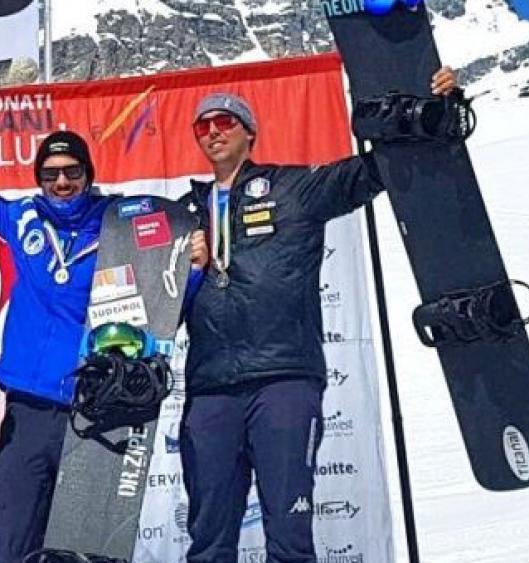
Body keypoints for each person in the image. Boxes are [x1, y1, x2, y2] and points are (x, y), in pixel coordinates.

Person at [178, 66, 460, 562]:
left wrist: (436, 106)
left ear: (249, 132)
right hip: (210, 388)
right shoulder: (181, 213)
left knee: (289, 537)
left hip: (283, 379)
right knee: (207, 542)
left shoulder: (292, 189)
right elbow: (147, 288)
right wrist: (185, 266)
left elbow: (375, 171)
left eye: (224, 122)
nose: (214, 132)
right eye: (203, 126)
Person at [0, 91, 208, 562]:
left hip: (95, 412)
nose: (61, 182)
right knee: (11, 546)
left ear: (88, 175)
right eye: (50, 174)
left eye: (71, 172)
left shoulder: (119, 225)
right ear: (38, 178)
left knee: (85, 552)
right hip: (26, 414)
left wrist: (198, 268)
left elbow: (162, 297)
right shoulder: (17, 221)